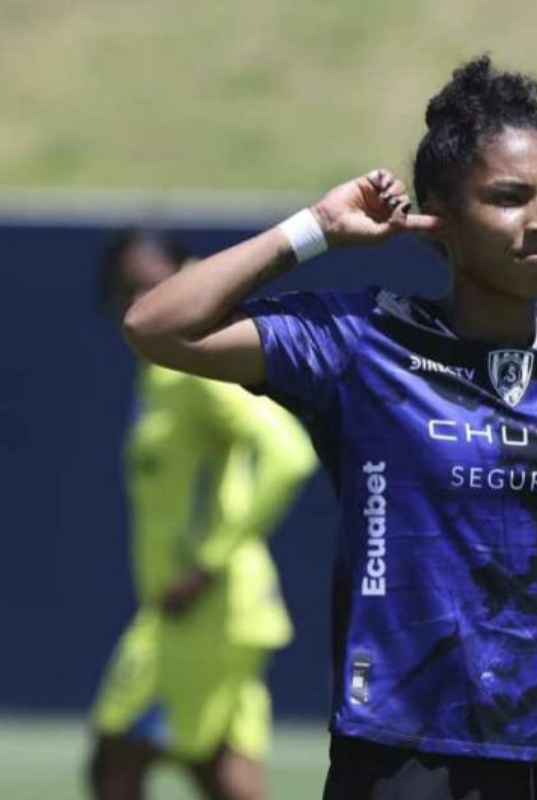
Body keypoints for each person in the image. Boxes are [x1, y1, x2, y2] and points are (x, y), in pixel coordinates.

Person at [122, 55, 537, 800]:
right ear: (440, 217)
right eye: (508, 198)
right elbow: (157, 326)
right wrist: (317, 230)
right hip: (407, 748)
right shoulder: (363, 341)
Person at [88, 229, 318, 800]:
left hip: (203, 609)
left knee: (115, 761)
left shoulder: (192, 370)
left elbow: (288, 454)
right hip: (211, 611)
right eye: (127, 289)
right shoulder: (159, 372)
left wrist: (207, 563)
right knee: (216, 769)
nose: (139, 301)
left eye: (153, 286)